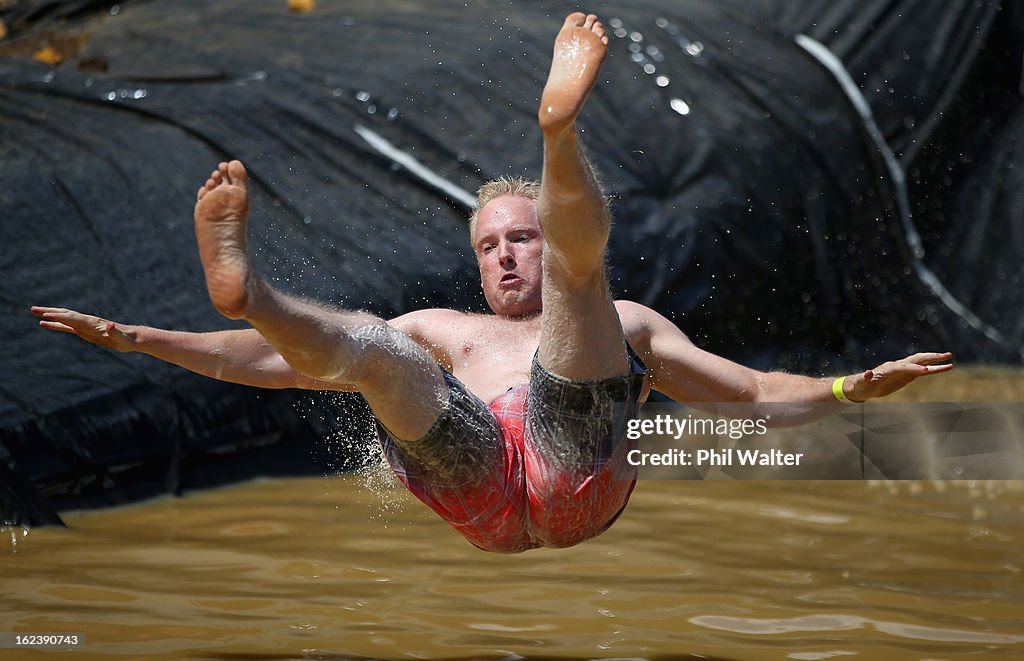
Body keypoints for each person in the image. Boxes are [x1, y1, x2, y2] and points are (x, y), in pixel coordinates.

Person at [32, 13, 953, 552]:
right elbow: (269, 366)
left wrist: (850, 387)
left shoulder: (619, 323)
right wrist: (144, 339)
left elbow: (750, 394)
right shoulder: (445, 328)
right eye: (491, 245)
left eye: (524, 237)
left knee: (589, 299)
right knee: (378, 352)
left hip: (570, 470)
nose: (508, 255)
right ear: (476, 262)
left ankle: (560, 130)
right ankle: (253, 288)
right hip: (478, 482)